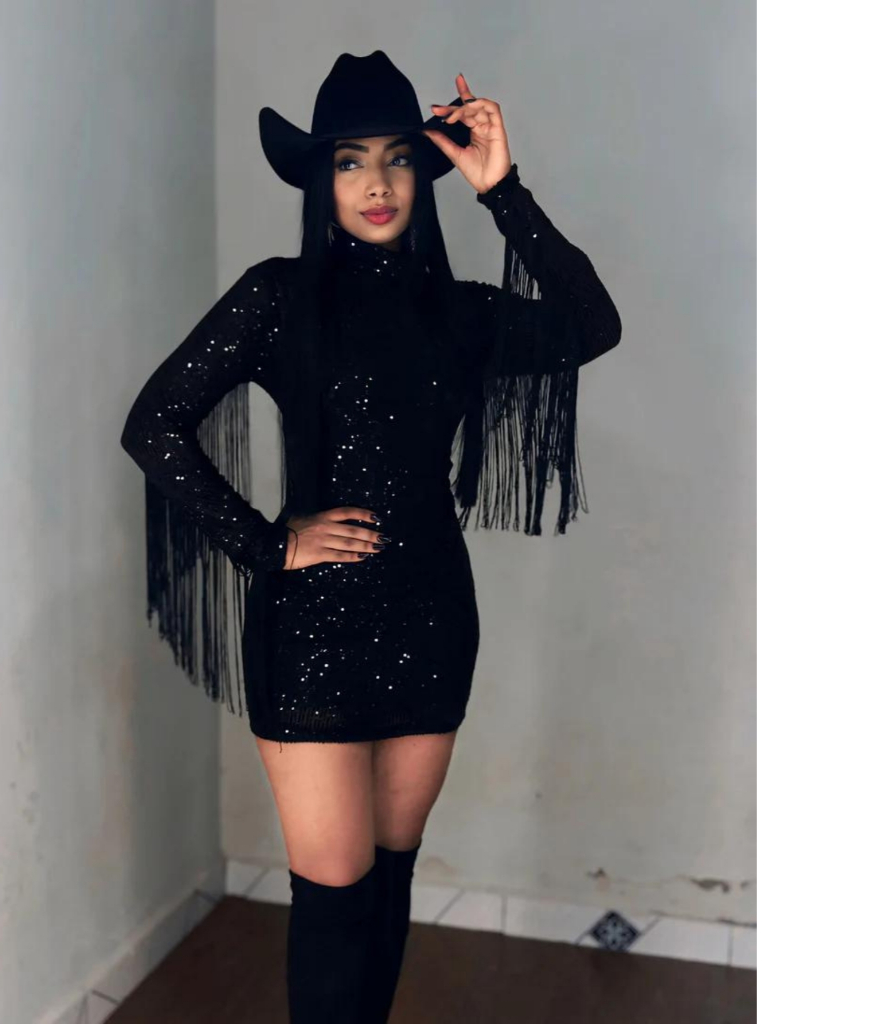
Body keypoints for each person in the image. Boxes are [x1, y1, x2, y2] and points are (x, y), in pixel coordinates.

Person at [119, 50, 620, 1024]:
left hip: (430, 617)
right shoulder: (275, 298)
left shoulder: (458, 312)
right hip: (310, 629)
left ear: (424, 176)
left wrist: (503, 189)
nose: (378, 182)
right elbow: (155, 425)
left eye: (397, 158)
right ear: (321, 179)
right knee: (334, 898)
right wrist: (268, 545)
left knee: (389, 884)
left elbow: (589, 324)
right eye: (350, 161)